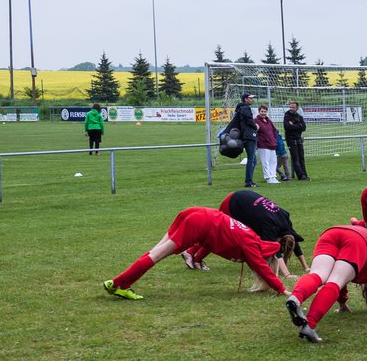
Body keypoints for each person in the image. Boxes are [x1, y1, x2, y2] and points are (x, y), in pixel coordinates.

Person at [103, 207, 287, 301]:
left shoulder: (252, 236)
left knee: (155, 251)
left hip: (199, 213)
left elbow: (217, 239)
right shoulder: (253, 247)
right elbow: (262, 268)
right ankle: (117, 283)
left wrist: (197, 257)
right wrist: (282, 289)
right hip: (200, 221)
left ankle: (121, 284)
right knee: (157, 255)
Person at [283, 224, 367, 343]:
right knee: (336, 281)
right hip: (357, 239)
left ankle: (296, 297)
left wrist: (342, 303)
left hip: (331, 233)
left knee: (318, 274)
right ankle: (310, 325)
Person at [182, 189, 312, 277]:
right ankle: (191, 254)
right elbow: (275, 252)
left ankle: (193, 255)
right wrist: (287, 274)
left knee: (220, 233)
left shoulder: (285, 219)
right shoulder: (270, 226)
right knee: (218, 234)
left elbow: (294, 243)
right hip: (234, 203)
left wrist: (306, 267)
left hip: (243, 198)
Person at [231, 93, 259, 187]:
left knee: (254, 160)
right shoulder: (246, 108)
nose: (252, 100)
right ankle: (248, 182)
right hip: (249, 135)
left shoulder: (240, 108)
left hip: (245, 135)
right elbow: (249, 120)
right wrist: (256, 126)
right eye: (251, 98)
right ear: (246, 99)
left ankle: (249, 180)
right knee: (251, 159)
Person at [282, 100, 308, 180]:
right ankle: (301, 176)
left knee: (301, 158)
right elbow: (287, 127)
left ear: (297, 108)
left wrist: (294, 125)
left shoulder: (299, 117)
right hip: (291, 140)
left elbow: (303, 127)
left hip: (299, 139)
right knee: (295, 158)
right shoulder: (286, 116)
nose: (291, 109)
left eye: (293, 107)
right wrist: (298, 126)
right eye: (290, 107)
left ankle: (305, 174)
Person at [255, 103, 279, 184]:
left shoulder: (269, 121)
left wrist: (275, 140)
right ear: (259, 111)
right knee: (265, 161)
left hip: (272, 144)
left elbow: (274, 131)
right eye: (262, 111)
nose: (263, 113)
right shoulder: (256, 121)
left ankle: (273, 176)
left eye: (265, 111)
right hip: (263, 145)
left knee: (273, 161)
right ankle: (268, 177)